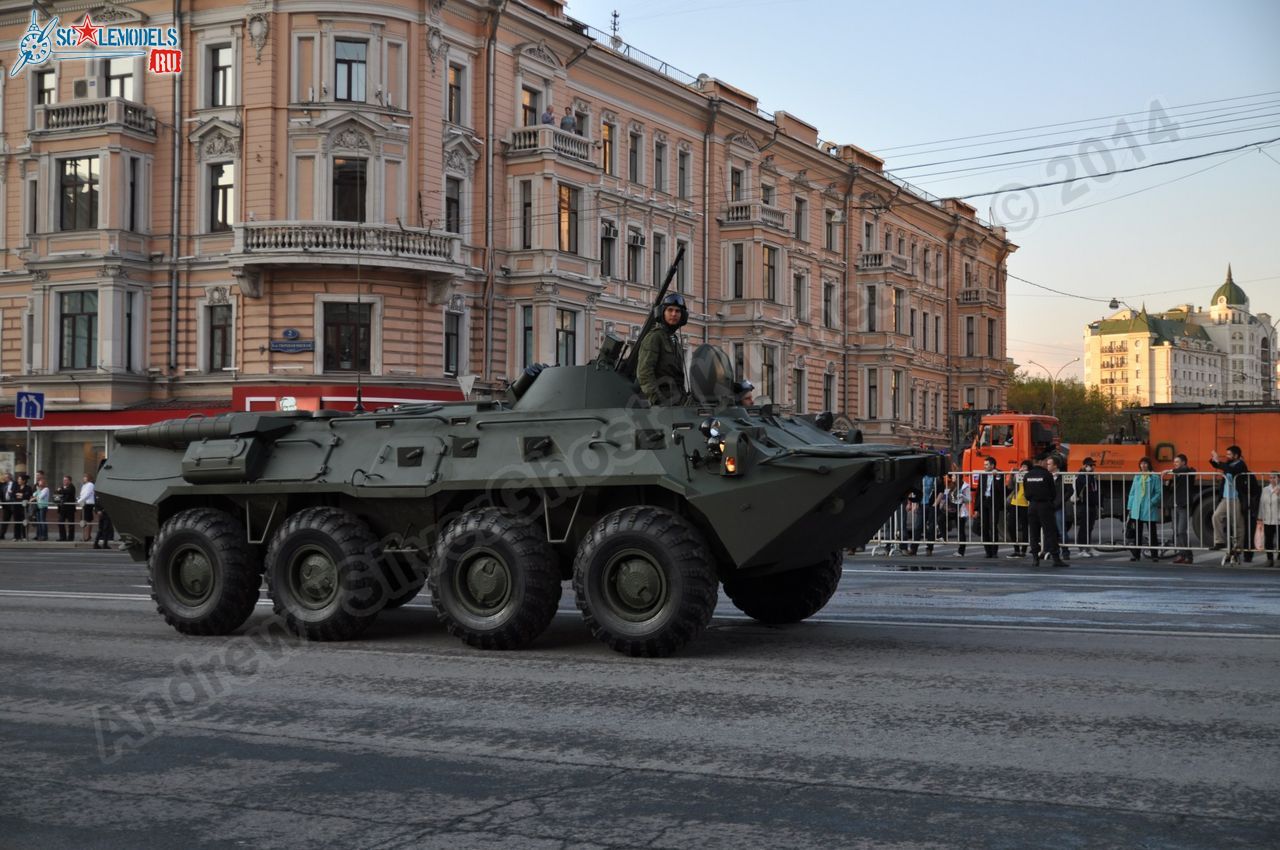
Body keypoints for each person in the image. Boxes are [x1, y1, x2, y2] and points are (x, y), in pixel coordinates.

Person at [636, 292, 689, 405]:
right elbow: (644, 373)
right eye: (670, 310)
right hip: (663, 404)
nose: (674, 314)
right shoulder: (655, 337)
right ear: (662, 313)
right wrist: (657, 399)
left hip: (677, 401)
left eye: (678, 311)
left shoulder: (674, 340)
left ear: (683, 315)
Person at [1023, 456, 1066, 567]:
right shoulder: (1047, 475)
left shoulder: (1027, 475)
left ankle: (1035, 559)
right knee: (1050, 533)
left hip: (1032, 506)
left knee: (1033, 533)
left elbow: (1026, 494)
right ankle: (1056, 559)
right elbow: (1053, 492)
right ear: (1041, 462)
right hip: (1045, 506)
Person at [1209, 445, 1249, 557]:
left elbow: (1230, 470)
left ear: (1236, 455)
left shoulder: (1241, 464)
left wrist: (1219, 461)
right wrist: (1214, 459)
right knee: (1216, 516)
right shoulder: (1229, 463)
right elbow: (1217, 465)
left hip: (1236, 498)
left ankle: (1238, 547)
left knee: (1237, 523)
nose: (1227, 456)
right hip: (1226, 497)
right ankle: (1219, 541)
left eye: (1229, 454)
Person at [1127, 457, 1162, 561]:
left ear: (1149, 465)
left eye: (1145, 463)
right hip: (1137, 507)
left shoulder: (1154, 477)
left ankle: (1154, 555)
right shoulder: (1137, 476)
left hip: (1149, 508)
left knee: (1152, 533)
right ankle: (1136, 555)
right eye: (1141, 464)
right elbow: (1132, 493)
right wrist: (1130, 507)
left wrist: (1152, 502)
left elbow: (1159, 492)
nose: (1143, 465)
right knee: (1137, 533)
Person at [1164, 454, 1198, 564]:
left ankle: (1188, 555)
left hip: (1184, 505)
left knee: (1181, 531)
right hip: (1175, 505)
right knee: (1176, 531)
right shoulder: (1176, 474)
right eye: (1174, 462)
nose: (1175, 464)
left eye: (1177, 462)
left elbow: (1186, 469)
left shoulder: (1187, 471)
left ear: (1184, 462)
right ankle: (1181, 554)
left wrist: (1169, 470)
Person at [973, 456, 1005, 558]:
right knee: (985, 527)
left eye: (987, 465)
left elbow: (1000, 488)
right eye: (984, 464)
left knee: (993, 526)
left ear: (992, 465)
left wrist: (996, 476)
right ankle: (987, 551)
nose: (985, 466)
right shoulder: (983, 474)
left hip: (994, 502)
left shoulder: (999, 473)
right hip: (984, 501)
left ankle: (994, 551)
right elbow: (978, 492)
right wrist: (976, 508)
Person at [1070, 457, 1101, 558]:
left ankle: (1088, 547)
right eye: (1090, 465)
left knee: (1090, 527)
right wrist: (1088, 474)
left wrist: (1100, 504)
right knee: (1083, 527)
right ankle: (1082, 548)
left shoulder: (1093, 477)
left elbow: (1098, 491)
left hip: (1092, 505)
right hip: (1083, 505)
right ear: (1084, 466)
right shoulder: (1081, 476)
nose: (1092, 467)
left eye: (1093, 465)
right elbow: (1085, 483)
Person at [1005, 460, 1031, 558]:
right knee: (1011, 525)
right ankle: (1016, 549)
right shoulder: (1018, 475)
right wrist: (1013, 476)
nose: (1023, 469)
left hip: (1025, 504)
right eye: (1022, 466)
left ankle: (1023, 550)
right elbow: (1010, 487)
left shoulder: (1030, 476)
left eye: (1025, 467)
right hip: (1014, 502)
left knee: (1025, 527)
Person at [943, 472, 970, 556]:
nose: (952, 477)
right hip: (951, 508)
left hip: (960, 508)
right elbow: (946, 495)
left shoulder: (965, 486)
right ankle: (942, 536)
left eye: (954, 476)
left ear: (958, 477)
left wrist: (962, 496)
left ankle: (961, 551)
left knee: (961, 530)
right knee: (941, 519)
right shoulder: (951, 485)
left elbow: (969, 500)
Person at [1260, 471, 1280, 568]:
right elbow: (1262, 504)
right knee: (1268, 540)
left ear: (1278, 478)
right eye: (1271, 478)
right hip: (1268, 519)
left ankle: (1279, 559)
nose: (1272, 479)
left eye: (1274, 477)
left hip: (1278, 519)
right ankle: (1269, 559)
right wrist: (1260, 517)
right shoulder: (1265, 489)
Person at [56, 475, 77, 542]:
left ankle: (70, 538)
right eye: (63, 480)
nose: (64, 481)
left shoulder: (72, 487)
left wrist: (61, 490)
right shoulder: (62, 487)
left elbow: (68, 492)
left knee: (71, 523)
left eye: (66, 480)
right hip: (62, 508)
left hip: (70, 509)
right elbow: (57, 493)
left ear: (69, 481)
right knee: (60, 522)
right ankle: (62, 537)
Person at [11, 473, 32, 541]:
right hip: (16, 507)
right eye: (18, 479)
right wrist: (20, 495)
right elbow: (13, 495)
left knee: (24, 522)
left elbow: (27, 496)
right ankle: (16, 536)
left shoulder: (28, 488)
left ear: (24, 480)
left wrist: (20, 495)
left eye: (20, 479)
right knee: (16, 522)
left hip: (24, 508)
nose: (18, 480)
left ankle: (24, 536)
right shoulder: (16, 487)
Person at [30, 474, 50, 541]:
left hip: (43, 507)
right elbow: (34, 494)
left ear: (44, 484)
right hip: (38, 507)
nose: (39, 485)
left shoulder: (46, 489)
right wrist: (38, 491)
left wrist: (37, 493)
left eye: (41, 484)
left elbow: (41, 496)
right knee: (38, 522)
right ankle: (39, 535)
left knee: (42, 521)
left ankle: (44, 536)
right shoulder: (39, 490)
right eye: (39, 484)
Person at [78, 474, 96, 542]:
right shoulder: (84, 485)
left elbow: (87, 494)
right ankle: (84, 535)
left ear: (89, 478)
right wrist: (78, 499)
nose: (84, 478)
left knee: (88, 520)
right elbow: (82, 494)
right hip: (84, 504)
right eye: (84, 477)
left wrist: (80, 501)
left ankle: (87, 536)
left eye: (85, 477)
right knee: (83, 520)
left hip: (88, 503)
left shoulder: (90, 484)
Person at [0, 472, 13, 540]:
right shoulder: (2, 485)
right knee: (5, 520)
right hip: (5, 505)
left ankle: (18, 535)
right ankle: (2, 535)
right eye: (4, 477)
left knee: (17, 520)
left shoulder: (15, 484)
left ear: (10, 477)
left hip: (13, 504)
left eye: (6, 477)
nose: (5, 478)